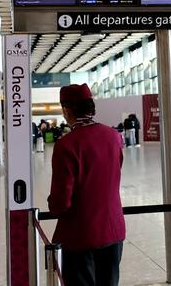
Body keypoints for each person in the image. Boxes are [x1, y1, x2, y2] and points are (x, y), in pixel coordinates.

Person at [48, 84, 125, 286]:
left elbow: (60, 201)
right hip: (114, 230)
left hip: (80, 235)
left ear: (66, 110)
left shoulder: (66, 145)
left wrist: (53, 205)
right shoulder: (114, 137)